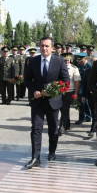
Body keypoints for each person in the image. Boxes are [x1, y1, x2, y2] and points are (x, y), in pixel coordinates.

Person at [23, 37, 69, 169]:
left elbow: (65, 81)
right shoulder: (33, 61)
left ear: (52, 48)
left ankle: (52, 151)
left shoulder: (59, 61)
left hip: (53, 101)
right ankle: (35, 157)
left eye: (47, 46)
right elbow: (27, 79)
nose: (44, 48)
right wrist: (34, 91)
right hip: (37, 101)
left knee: (53, 129)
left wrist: (51, 91)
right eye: (42, 46)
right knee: (36, 129)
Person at [59, 52, 81, 136]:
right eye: (65, 60)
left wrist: (76, 93)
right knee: (62, 109)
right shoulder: (59, 68)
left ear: (70, 60)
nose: (66, 62)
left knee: (64, 109)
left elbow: (77, 82)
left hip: (69, 91)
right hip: (60, 92)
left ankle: (62, 127)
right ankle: (67, 125)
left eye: (68, 60)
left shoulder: (74, 68)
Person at [75, 52, 92, 124]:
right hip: (80, 86)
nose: (80, 62)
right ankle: (82, 117)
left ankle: (87, 117)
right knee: (81, 102)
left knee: (85, 102)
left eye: (81, 60)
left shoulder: (89, 66)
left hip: (87, 87)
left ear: (85, 59)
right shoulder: (79, 65)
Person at [83, 57, 97, 137]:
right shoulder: (87, 71)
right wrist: (84, 96)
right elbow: (85, 85)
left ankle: (92, 129)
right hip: (91, 95)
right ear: (91, 63)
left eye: (96, 61)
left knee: (96, 113)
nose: (94, 63)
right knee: (93, 112)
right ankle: (95, 126)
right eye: (93, 61)